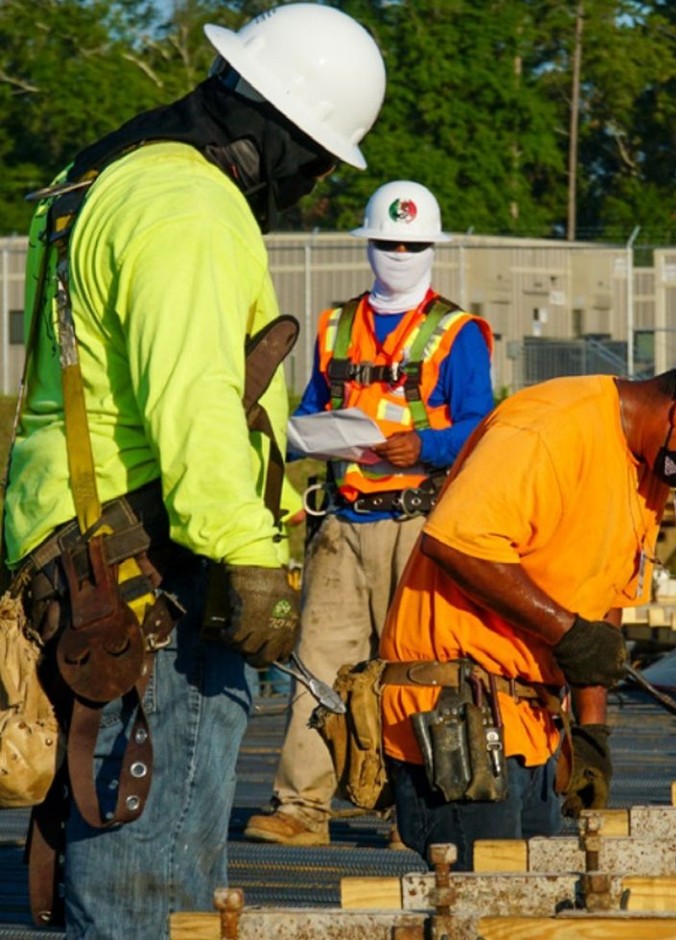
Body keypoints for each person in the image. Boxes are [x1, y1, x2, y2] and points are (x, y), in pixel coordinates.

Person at [3, 4, 385, 935]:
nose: (313, 183)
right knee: (154, 890)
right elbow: (196, 403)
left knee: (129, 862)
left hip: (84, 554)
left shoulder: (110, 178)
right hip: (156, 574)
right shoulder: (189, 207)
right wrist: (254, 558)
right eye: (318, 160)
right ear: (282, 135)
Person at [377, 315, 676, 869]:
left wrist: (591, 736)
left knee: (528, 906)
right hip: (456, 708)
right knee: (479, 906)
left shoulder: (645, 470)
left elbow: (600, 613)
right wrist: (566, 633)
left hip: (529, 721)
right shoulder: (553, 428)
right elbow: (456, 542)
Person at [245, 181, 495, 847]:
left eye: (412, 244)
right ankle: (301, 808)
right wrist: (307, 435)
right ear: (368, 245)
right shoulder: (334, 327)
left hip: (418, 522)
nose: (400, 254)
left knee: (416, 668)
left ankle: (410, 812)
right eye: (388, 243)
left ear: (432, 248)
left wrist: (429, 445)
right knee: (318, 664)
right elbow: (303, 412)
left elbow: (481, 427)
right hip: (342, 523)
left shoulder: (459, 335)